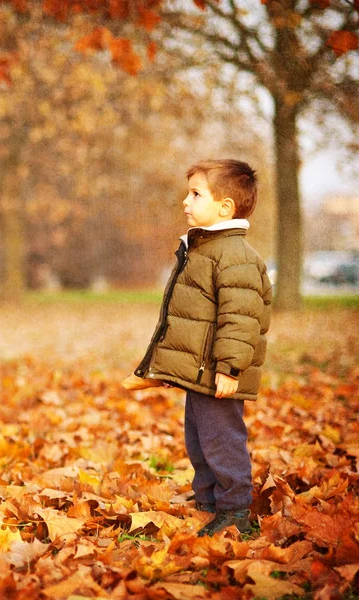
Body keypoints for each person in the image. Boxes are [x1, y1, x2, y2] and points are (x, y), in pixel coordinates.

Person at [122, 159, 272, 537]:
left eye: (195, 194)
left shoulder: (235, 256)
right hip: (200, 371)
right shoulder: (203, 249)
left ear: (225, 207)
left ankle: (235, 510)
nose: (185, 201)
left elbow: (242, 319)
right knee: (199, 439)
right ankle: (207, 501)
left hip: (219, 373)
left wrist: (230, 368)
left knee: (223, 442)